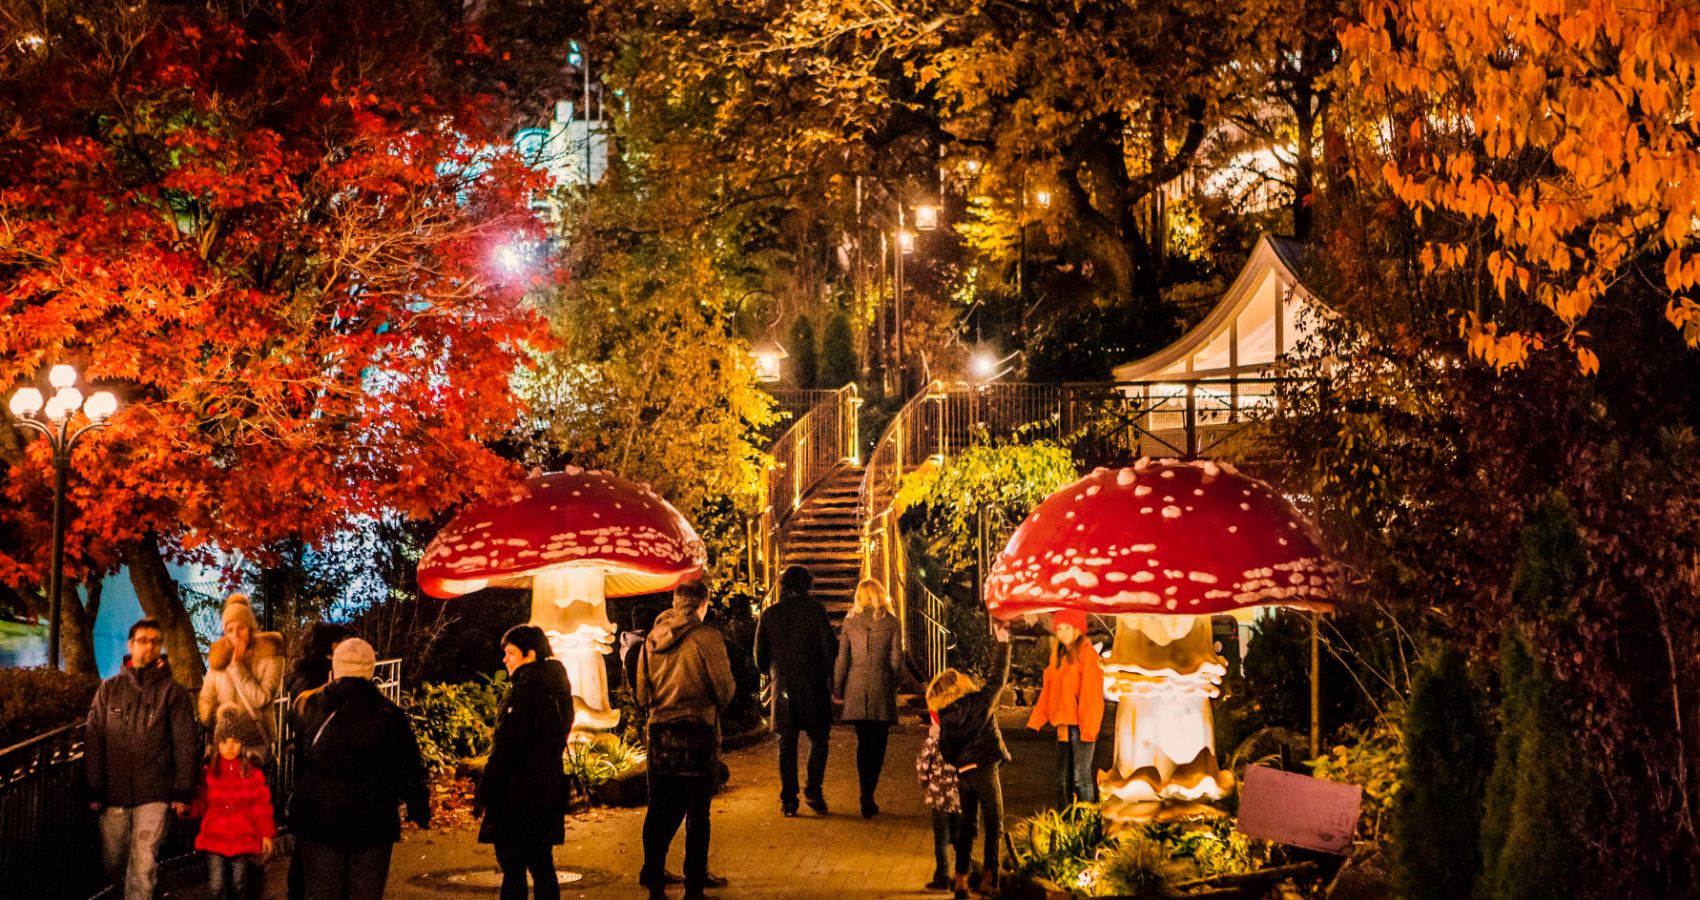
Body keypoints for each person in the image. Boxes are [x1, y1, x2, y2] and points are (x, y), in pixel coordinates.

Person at [289, 637, 430, 900]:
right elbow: (407, 767)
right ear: (371, 671)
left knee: (322, 891)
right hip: (372, 821)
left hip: (320, 819)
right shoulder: (389, 715)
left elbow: (304, 760)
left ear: (334, 670)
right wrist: (418, 804)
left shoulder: (312, 708)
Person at [85, 617, 198, 900]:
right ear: (131, 645)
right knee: (114, 858)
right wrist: (94, 787)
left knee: (143, 860)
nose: (149, 647)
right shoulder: (109, 690)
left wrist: (182, 790)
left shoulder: (173, 692)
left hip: (155, 791)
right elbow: (94, 738)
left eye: (155, 642)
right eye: (143, 641)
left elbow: (185, 741)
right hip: (114, 792)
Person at [636, 580, 736, 900]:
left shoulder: (652, 638)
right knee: (698, 812)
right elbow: (724, 688)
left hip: (660, 732)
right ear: (702, 604)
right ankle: (694, 886)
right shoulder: (707, 638)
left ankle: (653, 875)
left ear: (676, 602)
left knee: (658, 807)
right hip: (697, 731)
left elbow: (641, 693)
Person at [476, 625, 574, 900]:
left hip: (515, 797)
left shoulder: (524, 692)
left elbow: (506, 749)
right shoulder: (557, 689)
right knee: (542, 864)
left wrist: (485, 792)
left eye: (510, 653)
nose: (505, 659)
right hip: (546, 790)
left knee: (514, 868)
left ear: (529, 654)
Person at [927, 619, 1013, 900]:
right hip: (986, 768)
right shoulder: (979, 703)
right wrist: (1003, 642)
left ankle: (961, 879)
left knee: (968, 826)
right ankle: (991, 877)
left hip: (963, 772)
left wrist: (959, 763)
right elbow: (998, 678)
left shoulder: (947, 719)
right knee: (994, 823)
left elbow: (946, 751)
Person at [754, 565, 836, 816]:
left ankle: (789, 799)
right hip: (813, 687)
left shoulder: (769, 614)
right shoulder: (816, 611)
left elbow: (759, 655)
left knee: (786, 746)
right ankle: (813, 790)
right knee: (819, 739)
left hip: (783, 688)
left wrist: (771, 673)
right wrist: (827, 675)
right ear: (807, 586)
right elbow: (830, 649)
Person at [285, 621, 355, 900]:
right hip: (314, 771)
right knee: (311, 845)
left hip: (325, 772)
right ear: (329, 649)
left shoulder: (318, 676)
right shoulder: (311, 679)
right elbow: (304, 713)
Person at [833, 578, 903, 818]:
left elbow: (842, 659)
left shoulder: (850, 621)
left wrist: (838, 688)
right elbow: (896, 661)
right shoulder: (892, 623)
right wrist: (893, 683)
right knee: (878, 744)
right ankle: (869, 793)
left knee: (863, 744)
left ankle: (865, 792)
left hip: (856, 685)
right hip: (881, 686)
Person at [1026, 609, 1105, 808]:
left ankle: (1087, 823)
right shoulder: (1059, 655)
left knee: (1081, 777)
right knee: (1062, 779)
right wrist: (1036, 721)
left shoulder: (1088, 655)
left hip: (1081, 725)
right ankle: (1066, 822)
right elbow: (1049, 691)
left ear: (1078, 629)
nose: (1062, 633)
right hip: (1063, 724)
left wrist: (1088, 729)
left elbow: (1092, 696)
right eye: (1059, 628)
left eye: (1067, 628)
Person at [195, 706, 276, 900]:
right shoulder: (210, 772)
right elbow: (202, 799)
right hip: (214, 837)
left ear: (243, 744)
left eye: (235, 741)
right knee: (216, 886)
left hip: (242, 837)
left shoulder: (251, 773)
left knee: (238, 884)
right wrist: (188, 808)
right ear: (217, 744)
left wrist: (265, 833)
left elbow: (261, 805)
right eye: (224, 741)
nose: (230, 747)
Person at [199, 593, 285, 744]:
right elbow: (207, 701)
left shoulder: (270, 656)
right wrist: (220, 724)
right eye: (230, 630)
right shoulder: (220, 660)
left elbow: (262, 699)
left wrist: (237, 666)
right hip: (226, 743)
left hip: (255, 741)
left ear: (251, 629)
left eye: (241, 628)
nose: (236, 635)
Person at [915, 709, 961, 892]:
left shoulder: (932, 742)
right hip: (960, 798)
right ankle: (963, 873)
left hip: (938, 797)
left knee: (941, 838)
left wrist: (925, 783)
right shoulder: (963, 740)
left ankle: (942, 876)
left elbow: (922, 767)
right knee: (959, 838)